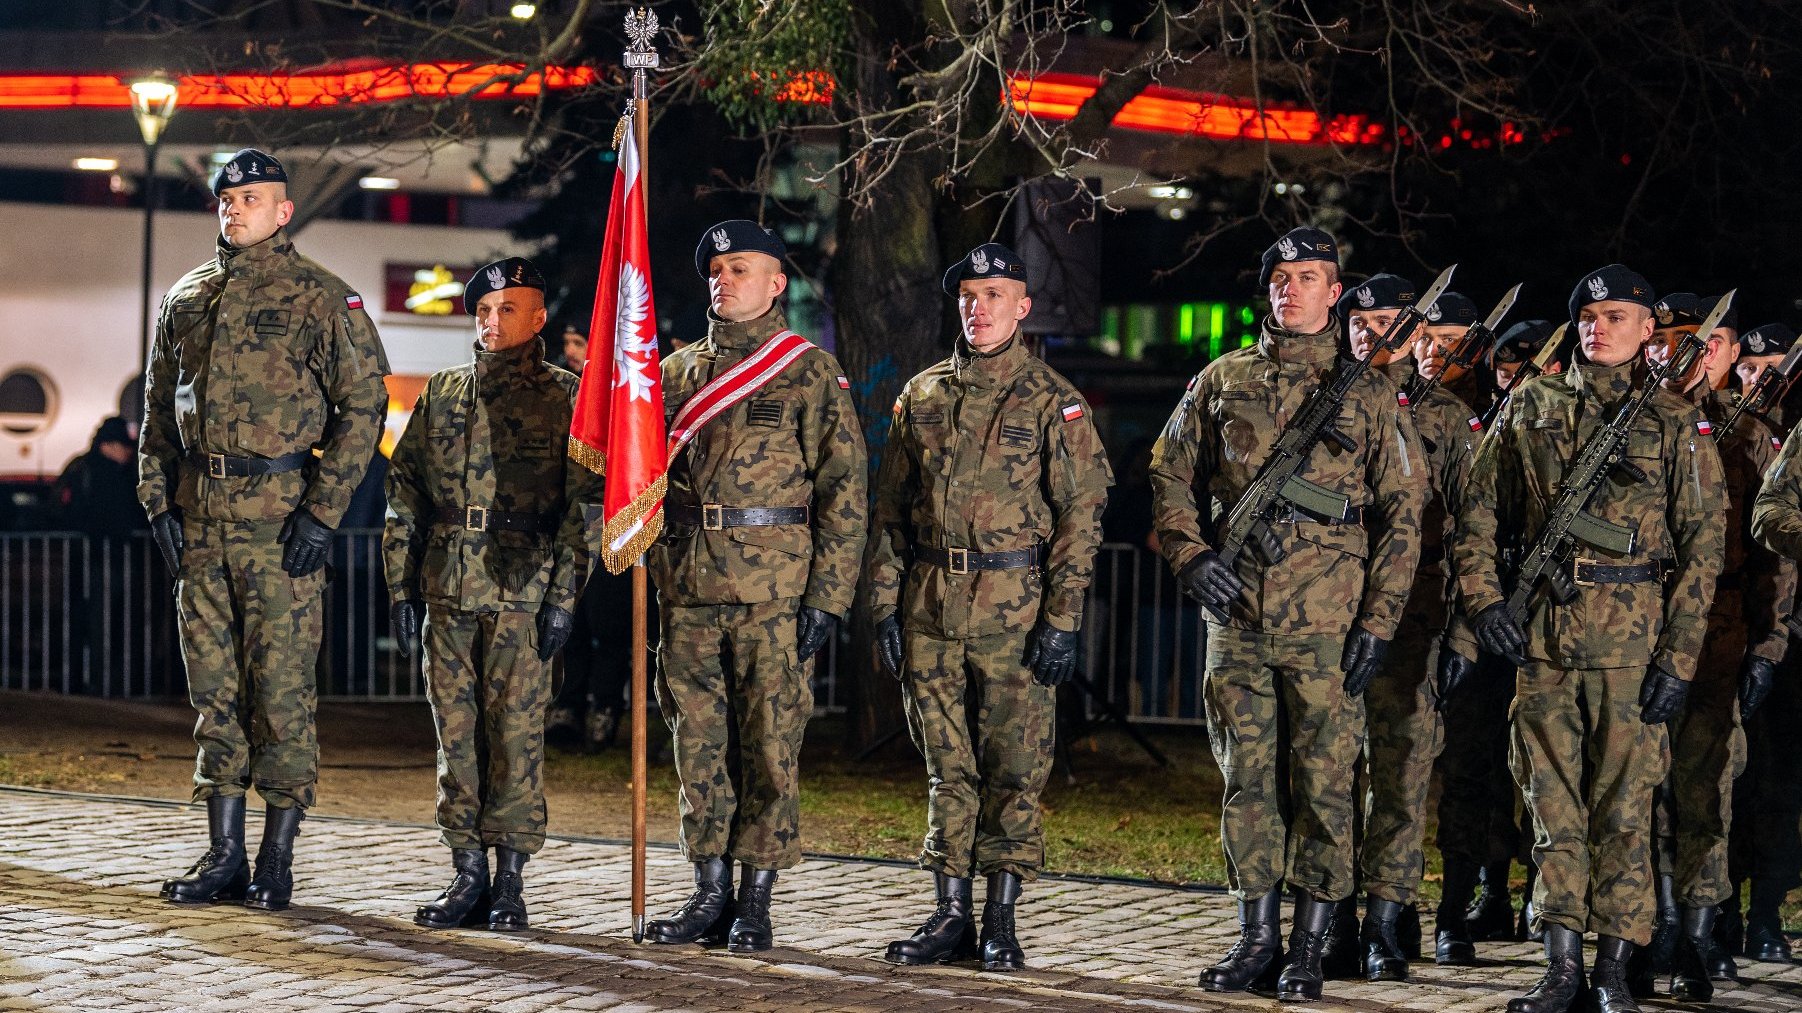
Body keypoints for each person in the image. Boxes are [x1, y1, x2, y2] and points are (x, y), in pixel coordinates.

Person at [1150, 227, 1426, 1001]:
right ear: (1266, 289)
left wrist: (1379, 621)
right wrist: (1190, 554)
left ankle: (1311, 944)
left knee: (1325, 784)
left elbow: (1404, 518)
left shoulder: (1370, 394)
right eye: (1282, 276)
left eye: (1310, 277)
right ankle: (1256, 938)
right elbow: (1170, 474)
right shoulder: (1219, 380)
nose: (1293, 288)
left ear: (1334, 293)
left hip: (1327, 628)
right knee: (1247, 782)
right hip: (1235, 619)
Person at [1449, 264, 1725, 1013]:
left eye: (1619, 315)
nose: (1601, 326)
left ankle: (1613, 968)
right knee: (1549, 808)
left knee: (1626, 812)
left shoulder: (1672, 421)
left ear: (1646, 331)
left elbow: (1705, 547)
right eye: (1590, 316)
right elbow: (1473, 509)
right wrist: (1483, 600)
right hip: (1545, 642)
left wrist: (1680, 656)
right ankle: (1561, 964)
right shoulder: (1529, 405)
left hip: (1634, 651)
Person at [138, 147, 390, 911]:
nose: (236, 207)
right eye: (228, 197)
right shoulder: (186, 297)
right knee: (215, 695)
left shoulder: (323, 298)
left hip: (281, 525)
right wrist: (157, 502)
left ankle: (275, 859)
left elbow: (364, 409)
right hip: (203, 524)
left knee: (281, 695)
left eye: (253, 197)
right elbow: (155, 412)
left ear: (285, 211)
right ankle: (223, 856)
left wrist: (322, 511)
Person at [869, 242, 1110, 972]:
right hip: (931, 607)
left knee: (1013, 770)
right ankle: (950, 915)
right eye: (969, 294)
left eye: (996, 293)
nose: (979, 307)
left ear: (1022, 306)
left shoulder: (1051, 399)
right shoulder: (922, 395)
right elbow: (892, 512)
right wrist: (884, 606)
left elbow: (1082, 513)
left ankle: (1001, 917)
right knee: (948, 770)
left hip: (1017, 612)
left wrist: (1064, 619)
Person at [643, 219, 867, 953]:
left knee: (770, 748)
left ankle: (756, 897)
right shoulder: (671, 374)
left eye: (741, 268)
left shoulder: (808, 372)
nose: (724, 279)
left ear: (776, 283)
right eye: (716, 269)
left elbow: (844, 491)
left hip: (775, 594)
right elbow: (639, 486)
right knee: (696, 745)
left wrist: (829, 598)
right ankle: (709, 890)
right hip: (688, 589)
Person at [384, 257, 597, 932]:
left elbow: (582, 506)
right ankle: (466, 872)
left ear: (537, 318)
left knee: (515, 736)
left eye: (509, 309)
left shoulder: (565, 396)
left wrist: (564, 592)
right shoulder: (444, 392)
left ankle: (509, 879)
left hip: (523, 588)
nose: (492, 320)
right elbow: (406, 492)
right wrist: (400, 581)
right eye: (483, 310)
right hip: (448, 588)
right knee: (456, 737)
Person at [1631, 293, 1793, 1000]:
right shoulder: (1628, 421)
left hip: (1721, 627)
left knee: (1705, 786)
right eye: (1666, 338)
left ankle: (1698, 932)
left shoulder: (1748, 432)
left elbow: (1773, 555)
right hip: (1634, 621)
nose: (1678, 351)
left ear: (1723, 350)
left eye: (1697, 340)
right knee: (1637, 786)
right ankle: (1653, 921)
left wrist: (1770, 642)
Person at [1328, 275, 1476, 981]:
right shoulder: (1322, 398)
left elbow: (1474, 527)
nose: (1370, 333)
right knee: (1329, 774)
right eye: (1359, 320)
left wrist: (1467, 633)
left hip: (1413, 623)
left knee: (1401, 776)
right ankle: (1332, 912)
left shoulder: (1445, 417)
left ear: (1415, 331)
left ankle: (1387, 918)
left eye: (1386, 321)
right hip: (1327, 615)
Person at [58, 415, 149, 692]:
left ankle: (92, 681)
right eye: (123, 445)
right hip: (107, 559)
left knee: (96, 621)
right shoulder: (108, 474)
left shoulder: (81, 467)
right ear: (108, 445)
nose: (128, 451)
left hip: (91, 559)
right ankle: (105, 683)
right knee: (108, 622)